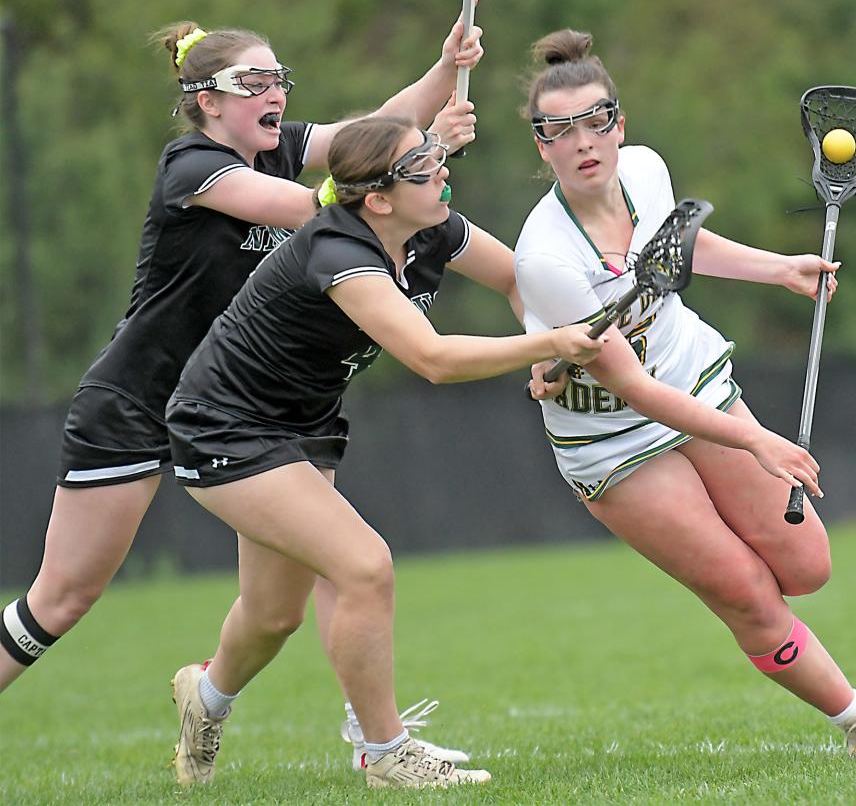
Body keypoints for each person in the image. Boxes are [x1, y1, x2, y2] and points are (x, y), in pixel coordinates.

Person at [0, 15, 484, 765]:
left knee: (288, 604)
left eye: (279, 80)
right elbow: (333, 203)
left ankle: (288, 717)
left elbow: (370, 137)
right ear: (206, 100)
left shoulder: (275, 148)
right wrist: (422, 159)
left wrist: (443, 69)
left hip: (250, 407)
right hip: (140, 400)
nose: (275, 94)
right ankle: (381, 745)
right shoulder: (193, 168)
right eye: (252, 83)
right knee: (63, 597)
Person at [164, 115, 605, 788]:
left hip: (303, 424)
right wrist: (553, 344)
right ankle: (385, 753)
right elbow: (431, 358)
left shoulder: (433, 229)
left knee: (273, 614)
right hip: (224, 426)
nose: (443, 172)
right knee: (364, 566)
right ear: (377, 199)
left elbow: (518, 281)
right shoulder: (339, 252)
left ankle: (206, 695)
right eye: (423, 168)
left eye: (435, 158)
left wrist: (544, 335)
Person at [515, 30, 856, 762]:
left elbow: (675, 251)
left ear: (619, 124)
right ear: (542, 147)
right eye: (559, 130)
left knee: (808, 566)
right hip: (614, 438)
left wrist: (776, 268)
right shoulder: (546, 258)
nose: (582, 141)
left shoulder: (646, 169)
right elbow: (636, 392)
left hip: (691, 375)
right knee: (744, 587)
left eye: (596, 120)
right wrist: (756, 438)